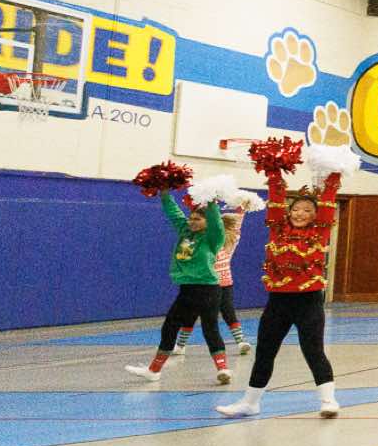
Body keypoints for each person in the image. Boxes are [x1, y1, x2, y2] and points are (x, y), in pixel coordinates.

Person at [216, 169, 343, 418]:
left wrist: (333, 178)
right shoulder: (277, 229)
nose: (300, 213)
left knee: (313, 351)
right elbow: (275, 202)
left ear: (316, 215)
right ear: (288, 211)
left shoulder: (320, 231)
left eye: (307, 210)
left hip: (308, 302)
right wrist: (274, 173)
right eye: (296, 209)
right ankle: (250, 403)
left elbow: (328, 204)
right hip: (278, 303)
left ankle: (328, 400)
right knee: (265, 351)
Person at [127, 188, 229, 386]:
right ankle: (154, 371)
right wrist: (165, 194)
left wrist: (211, 203)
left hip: (208, 289)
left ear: (207, 222)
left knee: (210, 328)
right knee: (170, 326)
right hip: (187, 290)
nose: (192, 222)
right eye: (191, 218)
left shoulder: (212, 238)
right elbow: (174, 213)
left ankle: (223, 369)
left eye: (198, 219)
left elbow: (217, 223)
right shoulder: (185, 232)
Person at [173, 200, 252, 360]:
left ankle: (241, 341)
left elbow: (236, 227)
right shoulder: (199, 241)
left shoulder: (227, 243)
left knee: (228, 312)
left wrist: (242, 210)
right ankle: (180, 345)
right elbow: (184, 255)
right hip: (202, 285)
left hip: (223, 284)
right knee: (190, 315)